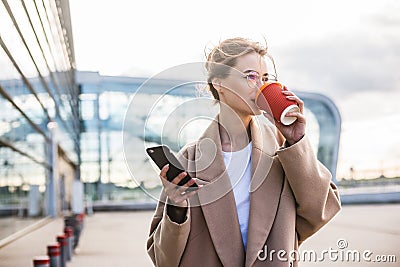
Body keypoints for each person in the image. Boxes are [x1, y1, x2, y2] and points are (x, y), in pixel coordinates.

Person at [147, 37, 341, 267]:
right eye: (251, 76)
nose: (262, 87)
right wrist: (176, 209)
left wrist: (297, 139)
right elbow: (162, 259)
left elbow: (321, 210)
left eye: (266, 78)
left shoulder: (285, 150)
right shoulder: (189, 161)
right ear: (219, 83)